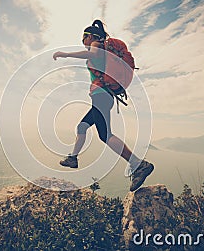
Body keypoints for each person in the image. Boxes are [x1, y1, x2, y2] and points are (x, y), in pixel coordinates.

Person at [52, 20, 154, 192]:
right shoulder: (101, 47)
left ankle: (138, 164)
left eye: (83, 37)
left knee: (105, 135)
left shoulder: (96, 44)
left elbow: (93, 54)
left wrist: (66, 54)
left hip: (102, 96)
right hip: (102, 96)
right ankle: (73, 158)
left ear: (90, 36)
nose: (82, 41)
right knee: (82, 126)